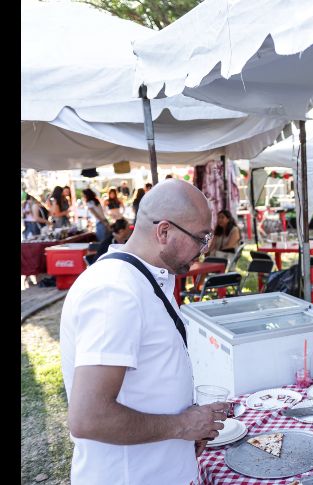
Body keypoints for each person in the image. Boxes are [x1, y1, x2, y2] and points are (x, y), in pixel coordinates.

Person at [59, 179, 226, 484]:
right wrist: (182, 426)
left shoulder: (141, 278)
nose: (203, 251)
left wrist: (185, 428)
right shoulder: (115, 292)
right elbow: (89, 417)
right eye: (201, 239)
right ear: (164, 231)